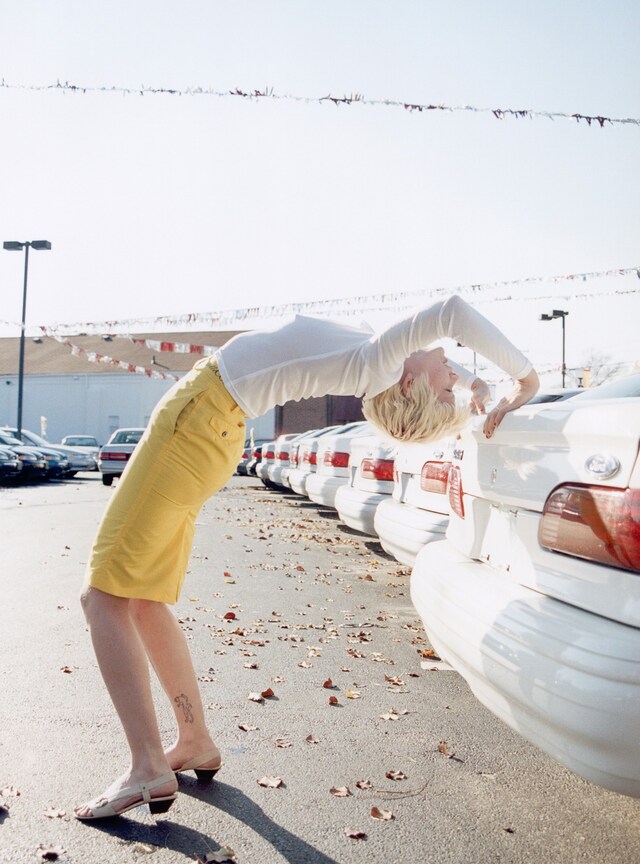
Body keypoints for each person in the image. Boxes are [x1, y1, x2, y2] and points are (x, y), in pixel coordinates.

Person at [75, 294, 538, 819]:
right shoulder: (379, 360)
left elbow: (450, 312)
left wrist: (525, 379)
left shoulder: (380, 361)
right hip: (214, 427)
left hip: (198, 416)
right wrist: (478, 388)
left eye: (446, 382)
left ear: (407, 384)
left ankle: (147, 767)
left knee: (104, 597)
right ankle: (194, 738)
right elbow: (438, 360)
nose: (451, 369)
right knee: (141, 599)